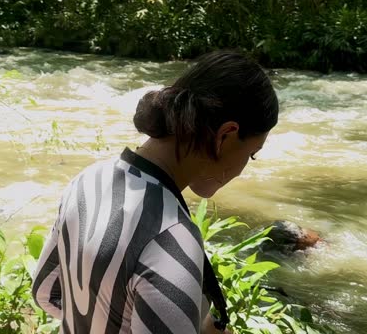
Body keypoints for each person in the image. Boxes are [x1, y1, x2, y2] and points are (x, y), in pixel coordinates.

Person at [31, 50, 279, 333]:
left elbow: (46, 293)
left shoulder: (86, 181)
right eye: (252, 154)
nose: (244, 167)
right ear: (226, 136)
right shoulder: (171, 238)